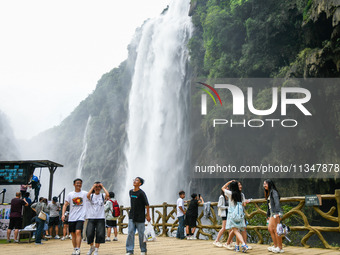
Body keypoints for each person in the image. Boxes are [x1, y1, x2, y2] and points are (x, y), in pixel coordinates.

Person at [62, 178, 88, 255]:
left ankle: (78, 249)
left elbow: (92, 196)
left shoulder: (85, 193)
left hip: (81, 216)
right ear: (74, 184)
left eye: (80, 183)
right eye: (77, 183)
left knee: (78, 232)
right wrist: (63, 214)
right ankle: (75, 248)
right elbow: (65, 205)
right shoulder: (70, 194)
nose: (78, 184)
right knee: (73, 234)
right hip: (72, 217)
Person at [126, 177, 150, 255]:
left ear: (140, 184)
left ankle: (143, 250)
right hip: (132, 216)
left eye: (136, 180)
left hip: (140, 216)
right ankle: (129, 250)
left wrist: (148, 215)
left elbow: (147, 204)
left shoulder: (141, 193)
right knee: (130, 232)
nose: (134, 181)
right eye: (134, 180)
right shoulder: (130, 192)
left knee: (141, 234)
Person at [222, 180, 249, 252]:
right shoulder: (241, 194)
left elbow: (223, 188)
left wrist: (229, 182)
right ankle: (237, 246)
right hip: (240, 214)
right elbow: (244, 204)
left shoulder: (230, 193)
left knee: (235, 230)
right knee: (238, 229)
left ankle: (243, 244)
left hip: (232, 213)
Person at [85, 181, 109, 255]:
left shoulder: (102, 195)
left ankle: (96, 250)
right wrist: (93, 186)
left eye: (99, 187)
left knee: (100, 234)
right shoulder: (91, 196)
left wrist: (102, 186)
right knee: (89, 233)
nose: (97, 188)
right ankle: (92, 247)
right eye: (96, 187)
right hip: (91, 217)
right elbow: (87, 195)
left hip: (100, 218)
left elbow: (107, 194)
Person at [264, 179, 284, 253]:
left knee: (276, 230)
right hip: (272, 213)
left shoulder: (274, 192)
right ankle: (275, 246)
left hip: (275, 213)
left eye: (265, 184)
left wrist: (277, 212)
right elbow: (269, 206)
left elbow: (277, 202)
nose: (264, 185)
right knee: (270, 229)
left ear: (269, 184)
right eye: (263, 184)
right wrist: (268, 215)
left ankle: (280, 247)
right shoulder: (269, 193)